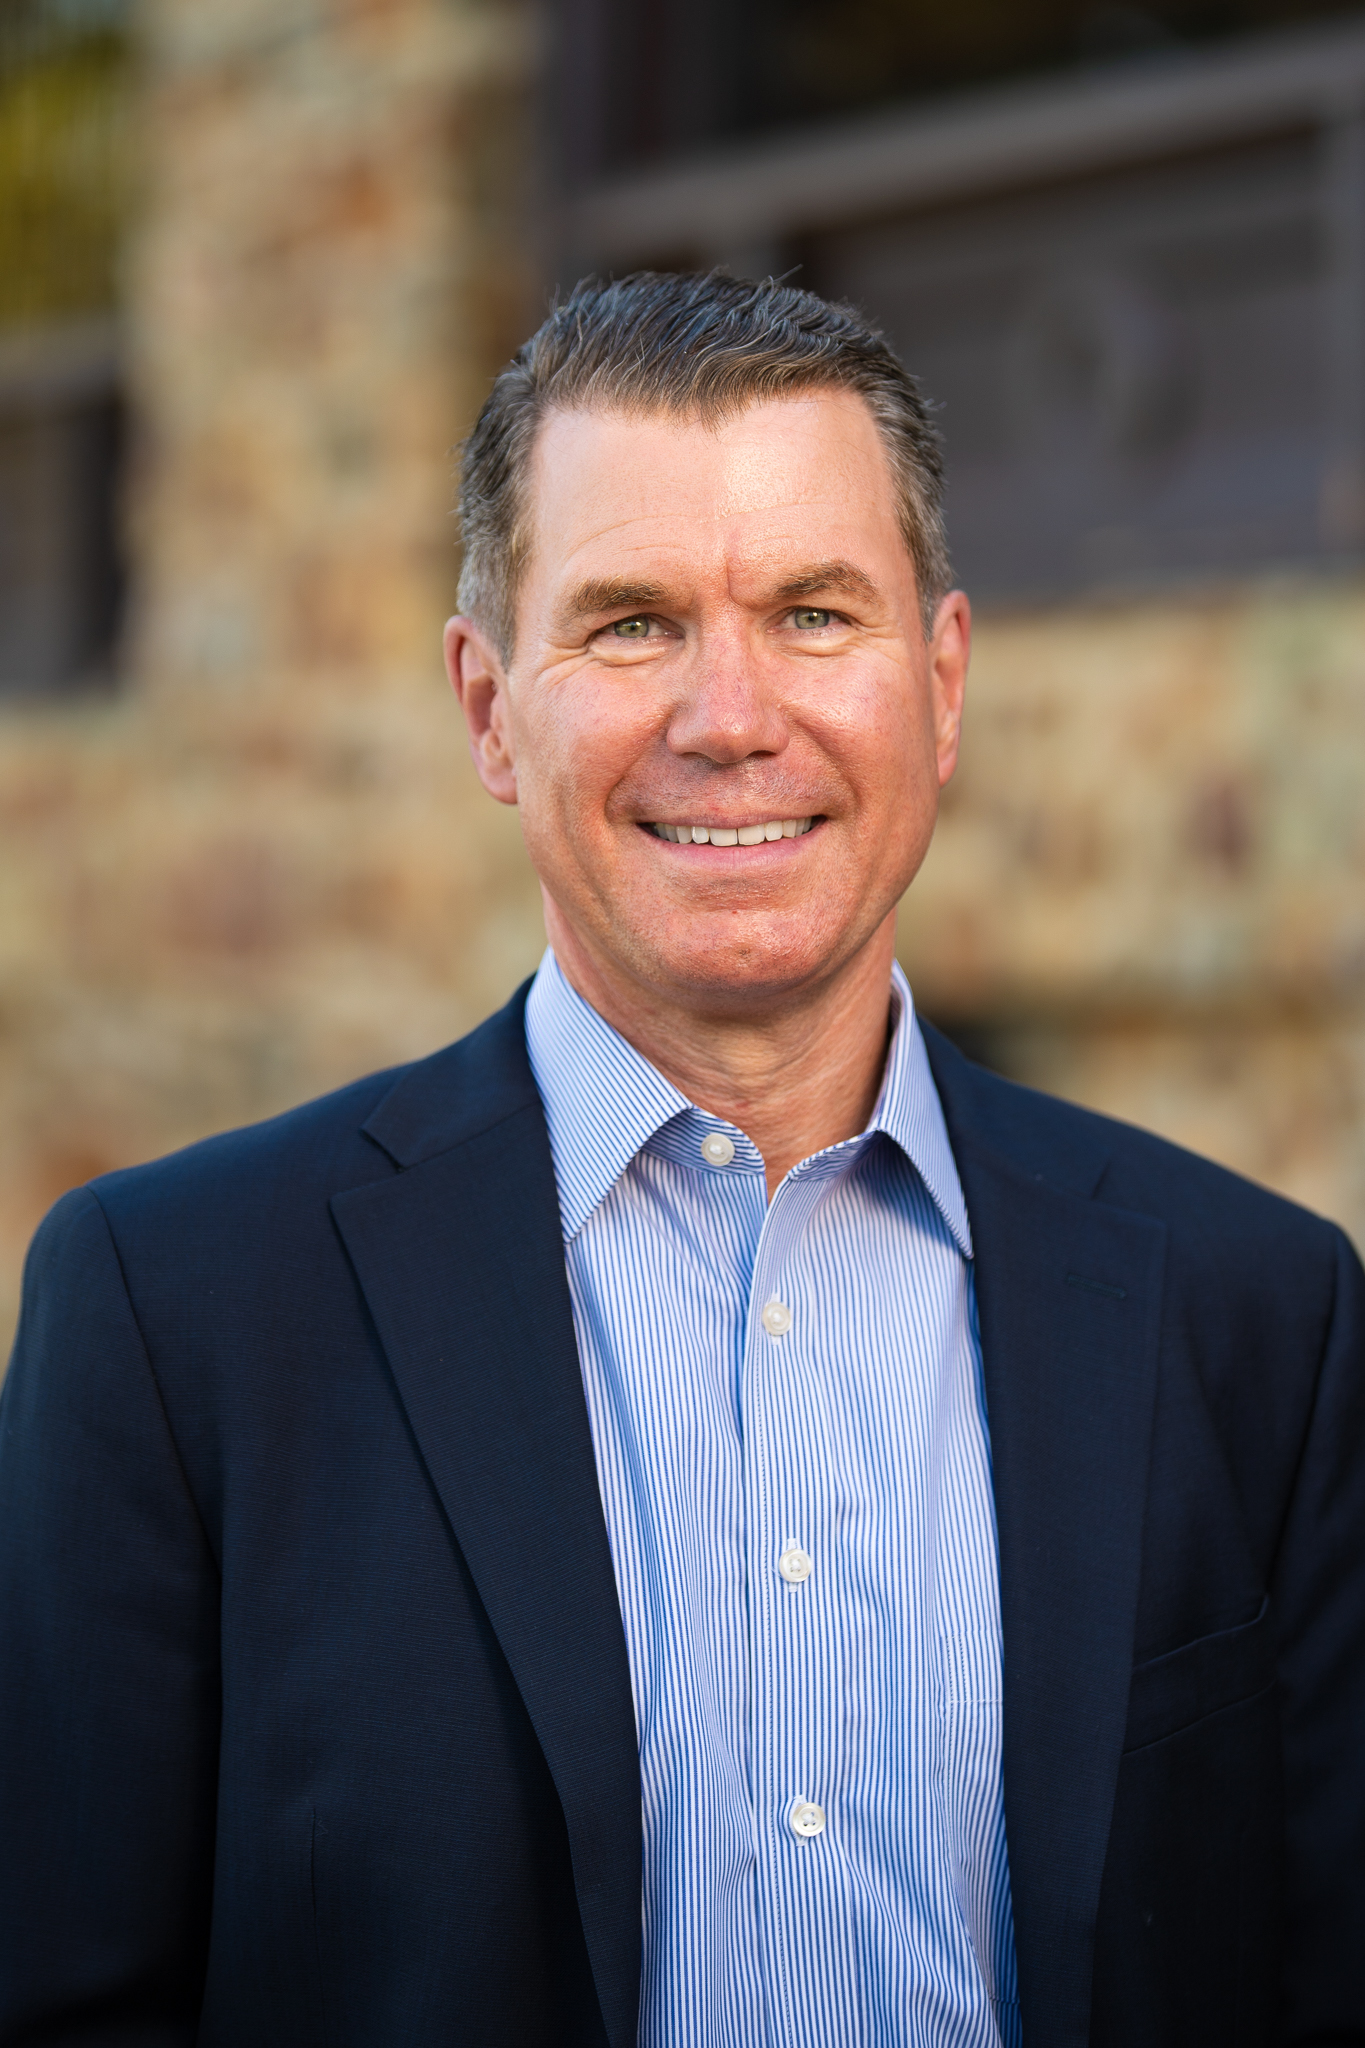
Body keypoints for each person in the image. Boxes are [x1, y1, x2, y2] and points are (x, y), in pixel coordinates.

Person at [0, 270, 1361, 2048]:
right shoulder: (177, 1320)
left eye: (812, 612)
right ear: (490, 708)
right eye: (631, 623)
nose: (731, 714)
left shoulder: (1256, 1319)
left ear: (937, 687)